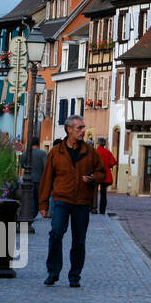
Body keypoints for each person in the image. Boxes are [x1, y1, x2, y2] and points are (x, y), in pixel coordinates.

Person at [38, 116, 106, 288]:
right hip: (61, 200)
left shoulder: (90, 152)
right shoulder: (56, 152)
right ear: (69, 130)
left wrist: (92, 178)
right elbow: (47, 179)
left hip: (82, 202)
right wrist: (43, 204)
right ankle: (53, 272)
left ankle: (75, 275)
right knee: (56, 234)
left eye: (83, 127)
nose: (83, 131)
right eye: (79, 128)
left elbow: (102, 172)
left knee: (79, 240)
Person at [94, 137, 117, 215]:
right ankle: (102, 210)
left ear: (98, 143)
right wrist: (108, 166)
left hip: (96, 174)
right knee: (103, 194)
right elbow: (113, 162)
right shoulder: (107, 152)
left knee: (94, 192)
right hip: (106, 175)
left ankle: (94, 208)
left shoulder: (96, 152)